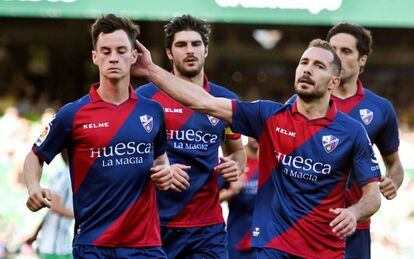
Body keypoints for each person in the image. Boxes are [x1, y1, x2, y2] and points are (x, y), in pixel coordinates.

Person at [132, 38, 382, 258]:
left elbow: (372, 195)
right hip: (273, 245)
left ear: (333, 82)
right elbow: (203, 102)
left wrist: (354, 212)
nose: (307, 70)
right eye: (304, 63)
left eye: (318, 66)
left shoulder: (352, 132)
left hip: (325, 250)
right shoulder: (269, 115)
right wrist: (150, 70)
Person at [23, 14, 172, 258]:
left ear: (134, 56)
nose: (113, 57)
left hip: (145, 244)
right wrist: (33, 187)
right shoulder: (72, 114)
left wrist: (165, 172)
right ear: (95, 57)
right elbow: (35, 155)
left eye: (122, 50)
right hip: (93, 244)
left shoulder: (152, 111)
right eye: (105, 51)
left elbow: (160, 159)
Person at [136, 14, 246, 258]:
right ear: (168, 52)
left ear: (206, 50)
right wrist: (159, 169)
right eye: (181, 45)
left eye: (196, 44)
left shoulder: (224, 100)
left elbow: (237, 151)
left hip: (207, 229)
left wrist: (235, 166)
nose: (190, 50)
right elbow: (130, 158)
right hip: (155, 225)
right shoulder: (144, 97)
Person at [326, 22, 404, 259]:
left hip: (354, 226)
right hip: (306, 224)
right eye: (332, 50)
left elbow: (395, 165)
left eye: (346, 51)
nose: (336, 57)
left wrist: (393, 181)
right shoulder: (302, 101)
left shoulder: (380, 109)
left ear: (362, 60)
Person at [26, 150, 74, 259]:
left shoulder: (69, 175)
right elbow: (53, 205)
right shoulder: (64, 175)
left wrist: (35, 235)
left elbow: (49, 210)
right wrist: (79, 215)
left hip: (62, 245)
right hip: (53, 247)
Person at [220, 137, 258, 259]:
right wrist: (231, 192)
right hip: (237, 241)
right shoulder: (235, 162)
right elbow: (209, 200)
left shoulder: (273, 164)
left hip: (264, 243)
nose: (257, 135)